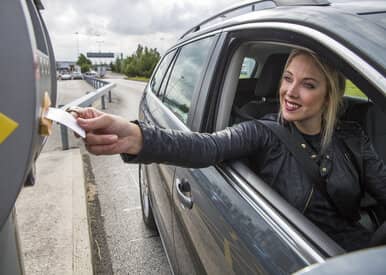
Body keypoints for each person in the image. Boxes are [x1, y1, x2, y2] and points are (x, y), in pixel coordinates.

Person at [69, 49, 386, 251]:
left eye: (308, 84)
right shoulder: (261, 133)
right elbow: (205, 147)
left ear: (329, 97)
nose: (290, 91)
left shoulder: (352, 137)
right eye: (287, 79)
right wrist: (136, 136)